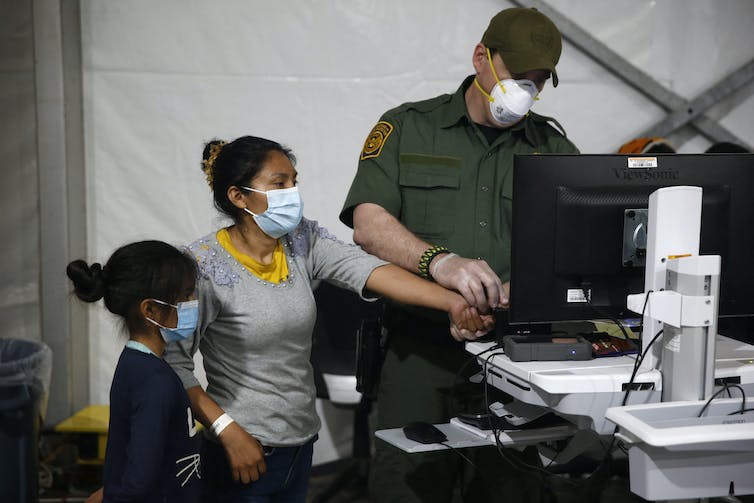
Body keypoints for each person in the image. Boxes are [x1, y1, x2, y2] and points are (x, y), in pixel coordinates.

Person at [164, 135, 493, 502]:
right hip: (241, 449)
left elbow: (367, 269)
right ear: (238, 197)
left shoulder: (300, 240)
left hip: (299, 442)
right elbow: (173, 362)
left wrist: (452, 302)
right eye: (279, 184)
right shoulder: (200, 267)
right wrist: (227, 431)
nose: (293, 193)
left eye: (294, 181)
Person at [339, 7, 580, 502]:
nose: (525, 92)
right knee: (408, 486)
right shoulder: (408, 127)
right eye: (517, 76)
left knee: (506, 486)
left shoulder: (552, 149)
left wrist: (529, 290)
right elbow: (369, 224)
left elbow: (576, 249)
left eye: (537, 82)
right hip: (419, 354)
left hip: (514, 359)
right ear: (481, 58)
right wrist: (441, 265)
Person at [67, 241, 201, 503]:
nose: (193, 302)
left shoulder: (135, 364)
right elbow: (139, 481)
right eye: (185, 296)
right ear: (149, 309)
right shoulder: (155, 381)